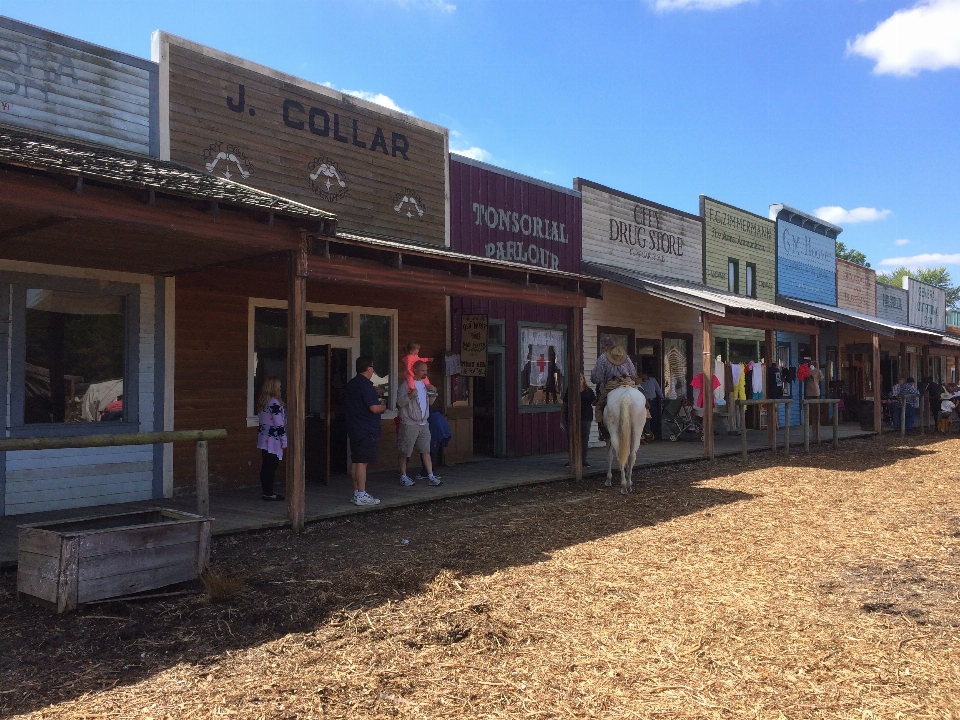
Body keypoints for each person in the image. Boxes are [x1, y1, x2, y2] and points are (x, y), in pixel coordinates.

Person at [345, 355, 387, 506]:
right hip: (366, 429)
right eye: (372, 367)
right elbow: (374, 407)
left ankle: (357, 493)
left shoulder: (352, 384)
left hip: (354, 427)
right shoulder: (366, 385)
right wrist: (383, 407)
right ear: (368, 368)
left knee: (356, 461)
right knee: (362, 462)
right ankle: (362, 494)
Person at [395, 360, 442, 487]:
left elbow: (430, 403)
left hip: (423, 423)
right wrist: (410, 396)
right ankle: (403, 476)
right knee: (405, 451)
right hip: (409, 423)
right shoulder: (406, 385)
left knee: (426, 450)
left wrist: (434, 393)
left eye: (426, 370)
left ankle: (430, 475)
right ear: (415, 370)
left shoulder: (425, 384)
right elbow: (399, 403)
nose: (425, 373)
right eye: (422, 370)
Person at [590, 337, 637, 441]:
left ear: (605, 346)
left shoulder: (603, 357)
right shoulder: (625, 356)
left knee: (599, 406)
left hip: (612, 385)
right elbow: (633, 373)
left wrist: (592, 377)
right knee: (642, 401)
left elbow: (597, 378)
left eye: (603, 346)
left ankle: (603, 432)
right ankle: (646, 430)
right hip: (628, 383)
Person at [256, 377, 286, 501]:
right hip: (273, 440)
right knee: (271, 467)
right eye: (278, 386)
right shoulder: (274, 403)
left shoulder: (263, 401)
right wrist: (284, 441)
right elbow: (279, 424)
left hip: (264, 438)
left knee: (266, 466)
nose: (280, 388)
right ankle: (269, 493)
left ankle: (266, 491)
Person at [562, 373, 596, 468]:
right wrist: (561, 416)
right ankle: (572, 460)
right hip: (572, 417)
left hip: (586, 417)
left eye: (581, 378)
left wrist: (600, 401)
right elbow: (565, 403)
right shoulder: (570, 390)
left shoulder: (589, 391)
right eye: (578, 378)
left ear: (584, 379)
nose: (580, 379)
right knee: (572, 438)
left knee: (584, 439)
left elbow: (593, 402)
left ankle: (583, 460)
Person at [640, 371, 664, 440]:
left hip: (653, 400)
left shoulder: (653, 380)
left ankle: (653, 434)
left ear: (645, 375)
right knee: (646, 418)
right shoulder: (640, 383)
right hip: (645, 402)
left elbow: (658, 389)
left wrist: (662, 397)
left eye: (643, 375)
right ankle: (646, 434)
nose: (642, 376)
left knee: (654, 417)